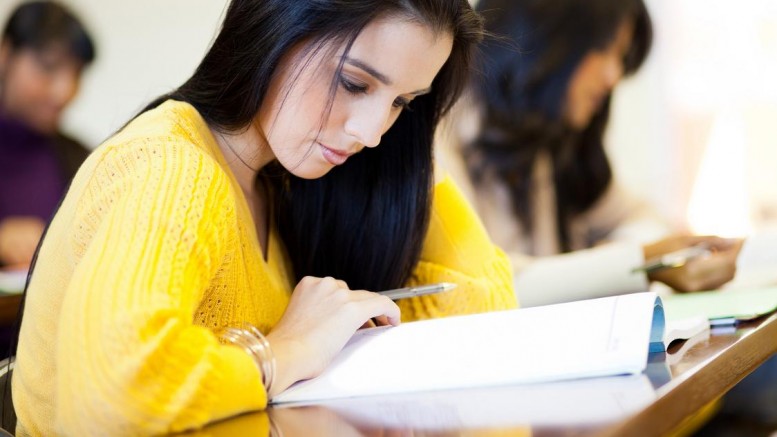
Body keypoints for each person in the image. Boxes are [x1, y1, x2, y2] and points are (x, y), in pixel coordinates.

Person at [11, 0, 516, 435]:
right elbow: (112, 394)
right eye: (354, 82)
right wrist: (285, 351)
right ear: (277, 26)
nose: (372, 132)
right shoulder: (171, 166)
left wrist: (413, 153)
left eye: (402, 102)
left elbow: (484, 304)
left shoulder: (284, 182)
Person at [437, 0, 742, 307]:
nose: (614, 76)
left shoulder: (553, 137)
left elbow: (642, 217)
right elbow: (485, 282)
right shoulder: (440, 136)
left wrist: (631, 254)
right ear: (547, 37)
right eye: (605, 49)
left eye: (621, 57)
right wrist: (638, 262)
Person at [0, 1, 96, 268]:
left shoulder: (82, 159)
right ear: (5, 54)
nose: (64, 91)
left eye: (76, 73)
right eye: (48, 67)